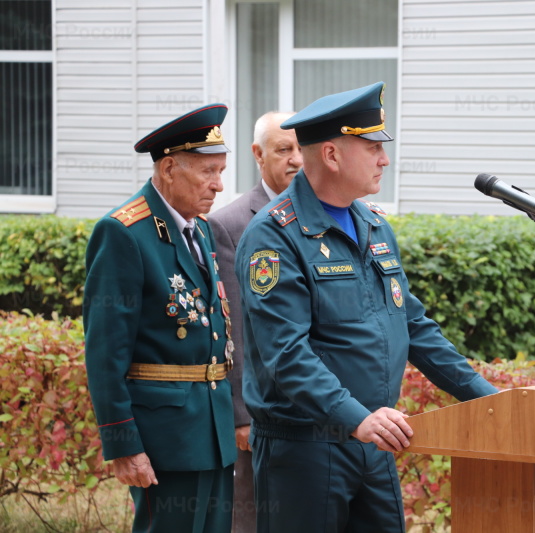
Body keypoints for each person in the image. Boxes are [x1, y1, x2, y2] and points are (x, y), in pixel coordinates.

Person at [235, 81, 498, 532]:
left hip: (373, 443)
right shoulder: (274, 236)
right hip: (306, 449)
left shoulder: (373, 225)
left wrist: (488, 398)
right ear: (333, 156)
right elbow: (287, 354)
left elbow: (412, 324)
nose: (385, 158)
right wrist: (358, 418)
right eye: (373, 145)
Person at [84, 104, 237, 533]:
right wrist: (123, 444)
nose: (219, 186)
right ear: (169, 168)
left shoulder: (200, 229)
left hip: (212, 428)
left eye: (221, 171)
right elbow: (104, 352)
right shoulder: (123, 233)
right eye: (208, 172)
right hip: (164, 437)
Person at [207, 111, 302, 532]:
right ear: (258, 155)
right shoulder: (229, 224)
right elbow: (235, 328)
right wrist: (241, 415)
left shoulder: (328, 216)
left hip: (321, 410)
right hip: (264, 409)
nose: (297, 159)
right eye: (284, 149)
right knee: (253, 515)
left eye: (303, 148)